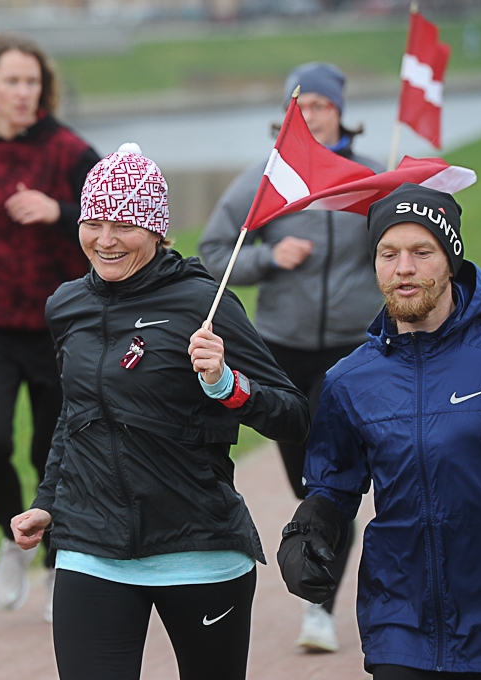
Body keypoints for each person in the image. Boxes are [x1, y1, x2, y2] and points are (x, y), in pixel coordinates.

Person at [10, 144, 309, 680]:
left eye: (123, 224)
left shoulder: (203, 303)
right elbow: (75, 415)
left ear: (157, 230)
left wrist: (226, 385)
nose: (105, 240)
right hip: (89, 544)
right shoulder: (66, 305)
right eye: (94, 221)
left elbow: (293, 414)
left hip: (197, 546)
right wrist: (49, 502)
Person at [277, 183, 481, 679]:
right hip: (397, 627)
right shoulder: (348, 381)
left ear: (450, 262)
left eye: (421, 252)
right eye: (388, 253)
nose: (403, 268)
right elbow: (333, 482)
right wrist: (309, 532)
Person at [198, 61, 383, 652]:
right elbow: (211, 251)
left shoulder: (367, 177)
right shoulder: (264, 181)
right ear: (287, 115)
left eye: (323, 106)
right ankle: (320, 564)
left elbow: (407, 245)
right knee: (306, 479)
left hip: (351, 351)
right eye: (301, 108)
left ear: (340, 111)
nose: (312, 117)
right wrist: (268, 261)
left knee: (333, 479)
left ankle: (319, 609)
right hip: (282, 351)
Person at [0, 33, 101, 617]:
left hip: (63, 325)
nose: (23, 92)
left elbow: (113, 222)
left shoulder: (72, 152)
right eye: (12, 81)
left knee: (51, 452)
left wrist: (61, 212)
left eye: (32, 82)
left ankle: (60, 561)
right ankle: (13, 539)